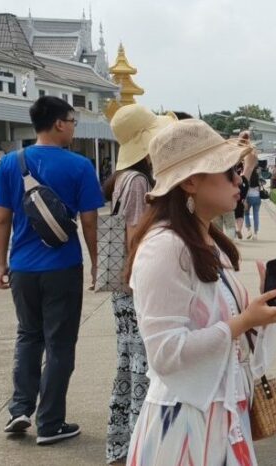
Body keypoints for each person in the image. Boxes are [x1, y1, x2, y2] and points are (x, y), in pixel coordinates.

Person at [125, 119, 276, 465]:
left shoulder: (205, 240)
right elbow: (165, 352)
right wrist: (242, 322)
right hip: (185, 423)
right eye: (229, 172)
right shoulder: (165, 247)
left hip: (219, 414)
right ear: (190, 182)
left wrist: (263, 309)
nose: (239, 180)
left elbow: (224, 331)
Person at [0, 96, 104, 445]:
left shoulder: (12, 163)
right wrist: (97, 263)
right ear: (58, 123)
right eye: (72, 120)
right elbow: (89, 222)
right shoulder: (80, 166)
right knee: (59, 345)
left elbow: (2, 217)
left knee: (28, 336)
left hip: (22, 269)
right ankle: (51, 423)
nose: (73, 127)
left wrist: (1, 263)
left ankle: (20, 409)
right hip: (63, 266)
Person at [101, 104, 176, 464]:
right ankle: (137, 445)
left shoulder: (125, 179)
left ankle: (124, 444)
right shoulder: (138, 182)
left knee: (130, 362)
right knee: (140, 365)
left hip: (124, 287)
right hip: (133, 289)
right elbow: (135, 237)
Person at [244, 164, 263, 240]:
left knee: (246, 214)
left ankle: (249, 230)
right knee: (256, 215)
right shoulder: (258, 177)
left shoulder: (247, 178)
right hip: (257, 197)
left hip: (248, 197)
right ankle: (255, 234)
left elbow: (244, 189)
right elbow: (262, 185)